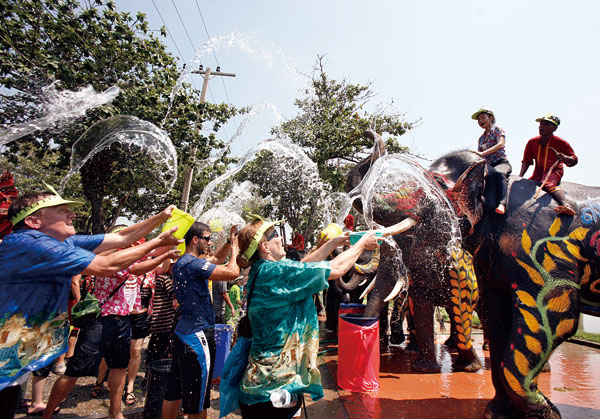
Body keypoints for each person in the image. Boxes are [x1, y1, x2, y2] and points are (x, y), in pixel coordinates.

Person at [0, 185, 181, 418]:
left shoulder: (59, 242)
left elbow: (121, 237)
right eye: (61, 210)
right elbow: (106, 266)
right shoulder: (30, 243)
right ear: (34, 222)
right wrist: (156, 243)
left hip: (14, 352)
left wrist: (161, 217)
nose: (72, 214)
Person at [232, 216, 379, 418]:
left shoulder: (262, 271)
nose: (280, 238)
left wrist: (335, 242)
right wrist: (362, 244)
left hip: (262, 385)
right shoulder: (276, 272)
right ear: (265, 247)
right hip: (274, 389)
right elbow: (337, 269)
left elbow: (303, 265)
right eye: (275, 235)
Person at [162, 222, 240, 419]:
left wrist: (229, 242)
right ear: (195, 240)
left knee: (174, 391)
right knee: (198, 399)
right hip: (198, 337)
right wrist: (237, 248)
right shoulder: (194, 264)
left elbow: (215, 260)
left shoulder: (183, 262)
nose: (209, 242)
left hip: (183, 334)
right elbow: (232, 272)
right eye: (207, 238)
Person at [519, 114, 578, 215]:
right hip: (538, 172)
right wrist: (520, 177)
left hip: (554, 171)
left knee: (547, 184)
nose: (541, 126)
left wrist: (565, 158)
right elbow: (526, 161)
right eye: (541, 124)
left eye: (546, 124)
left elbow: (574, 159)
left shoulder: (561, 143)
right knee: (525, 185)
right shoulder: (532, 142)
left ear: (554, 128)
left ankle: (566, 205)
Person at [471, 107, 512, 215]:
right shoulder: (481, 138)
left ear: (491, 118)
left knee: (498, 173)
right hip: (487, 166)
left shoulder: (498, 130)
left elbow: (500, 144)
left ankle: (502, 203)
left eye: (483, 117)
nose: (480, 121)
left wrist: (482, 154)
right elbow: (479, 156)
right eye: (478, 120)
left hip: (500, 162)